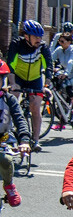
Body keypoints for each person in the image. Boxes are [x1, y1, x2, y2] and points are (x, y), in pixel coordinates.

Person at [7, 19, 53, 151]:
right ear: (26, 36)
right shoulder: (17, 44)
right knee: (12, 100)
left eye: (40, 36)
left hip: (35, 79)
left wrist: (46, 85)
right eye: (36, 36)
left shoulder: (43, 47)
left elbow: (48, 66)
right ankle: (8, 134)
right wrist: (13, 84)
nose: (39, 39)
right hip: (18, 78)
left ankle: (36, 140)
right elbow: (11, 65)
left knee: (35, 107)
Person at [0, 59, 32, 207]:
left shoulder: (8, 99)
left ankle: (9, 185)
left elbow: (20, 119)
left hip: (3, 140)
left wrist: (24, 140)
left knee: (5, 160)